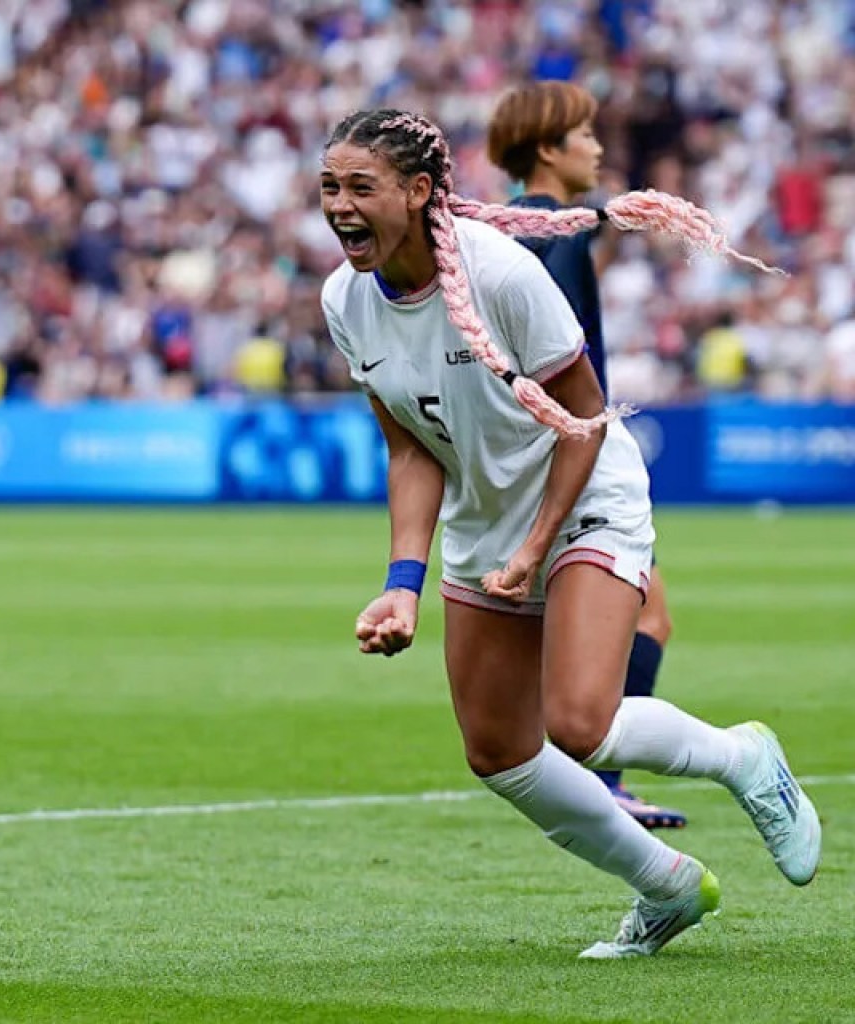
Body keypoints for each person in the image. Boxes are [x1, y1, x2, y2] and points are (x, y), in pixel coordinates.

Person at [319, 108, 820, 959]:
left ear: (419, 190)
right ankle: (666, 887)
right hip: (487, 521)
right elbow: (410, 448)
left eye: (360, 187)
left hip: (584, 494)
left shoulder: (502, 275)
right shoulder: (344, 300)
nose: (339, 205)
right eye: (329, 187)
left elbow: (584, 422)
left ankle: (742, 756)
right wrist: (402, 584)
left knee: (581, 723)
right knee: (498, 751)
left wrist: (535, 545)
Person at [485, 80, 684, 830]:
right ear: (548, 149)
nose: (598, 148)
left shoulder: (510, 228)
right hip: (575, 447)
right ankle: (600, 779)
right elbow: (561, 360)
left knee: (598, 618)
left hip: (527, 450)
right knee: (647, 613)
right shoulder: (555, 237)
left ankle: (594, 775)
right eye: (586, 136)